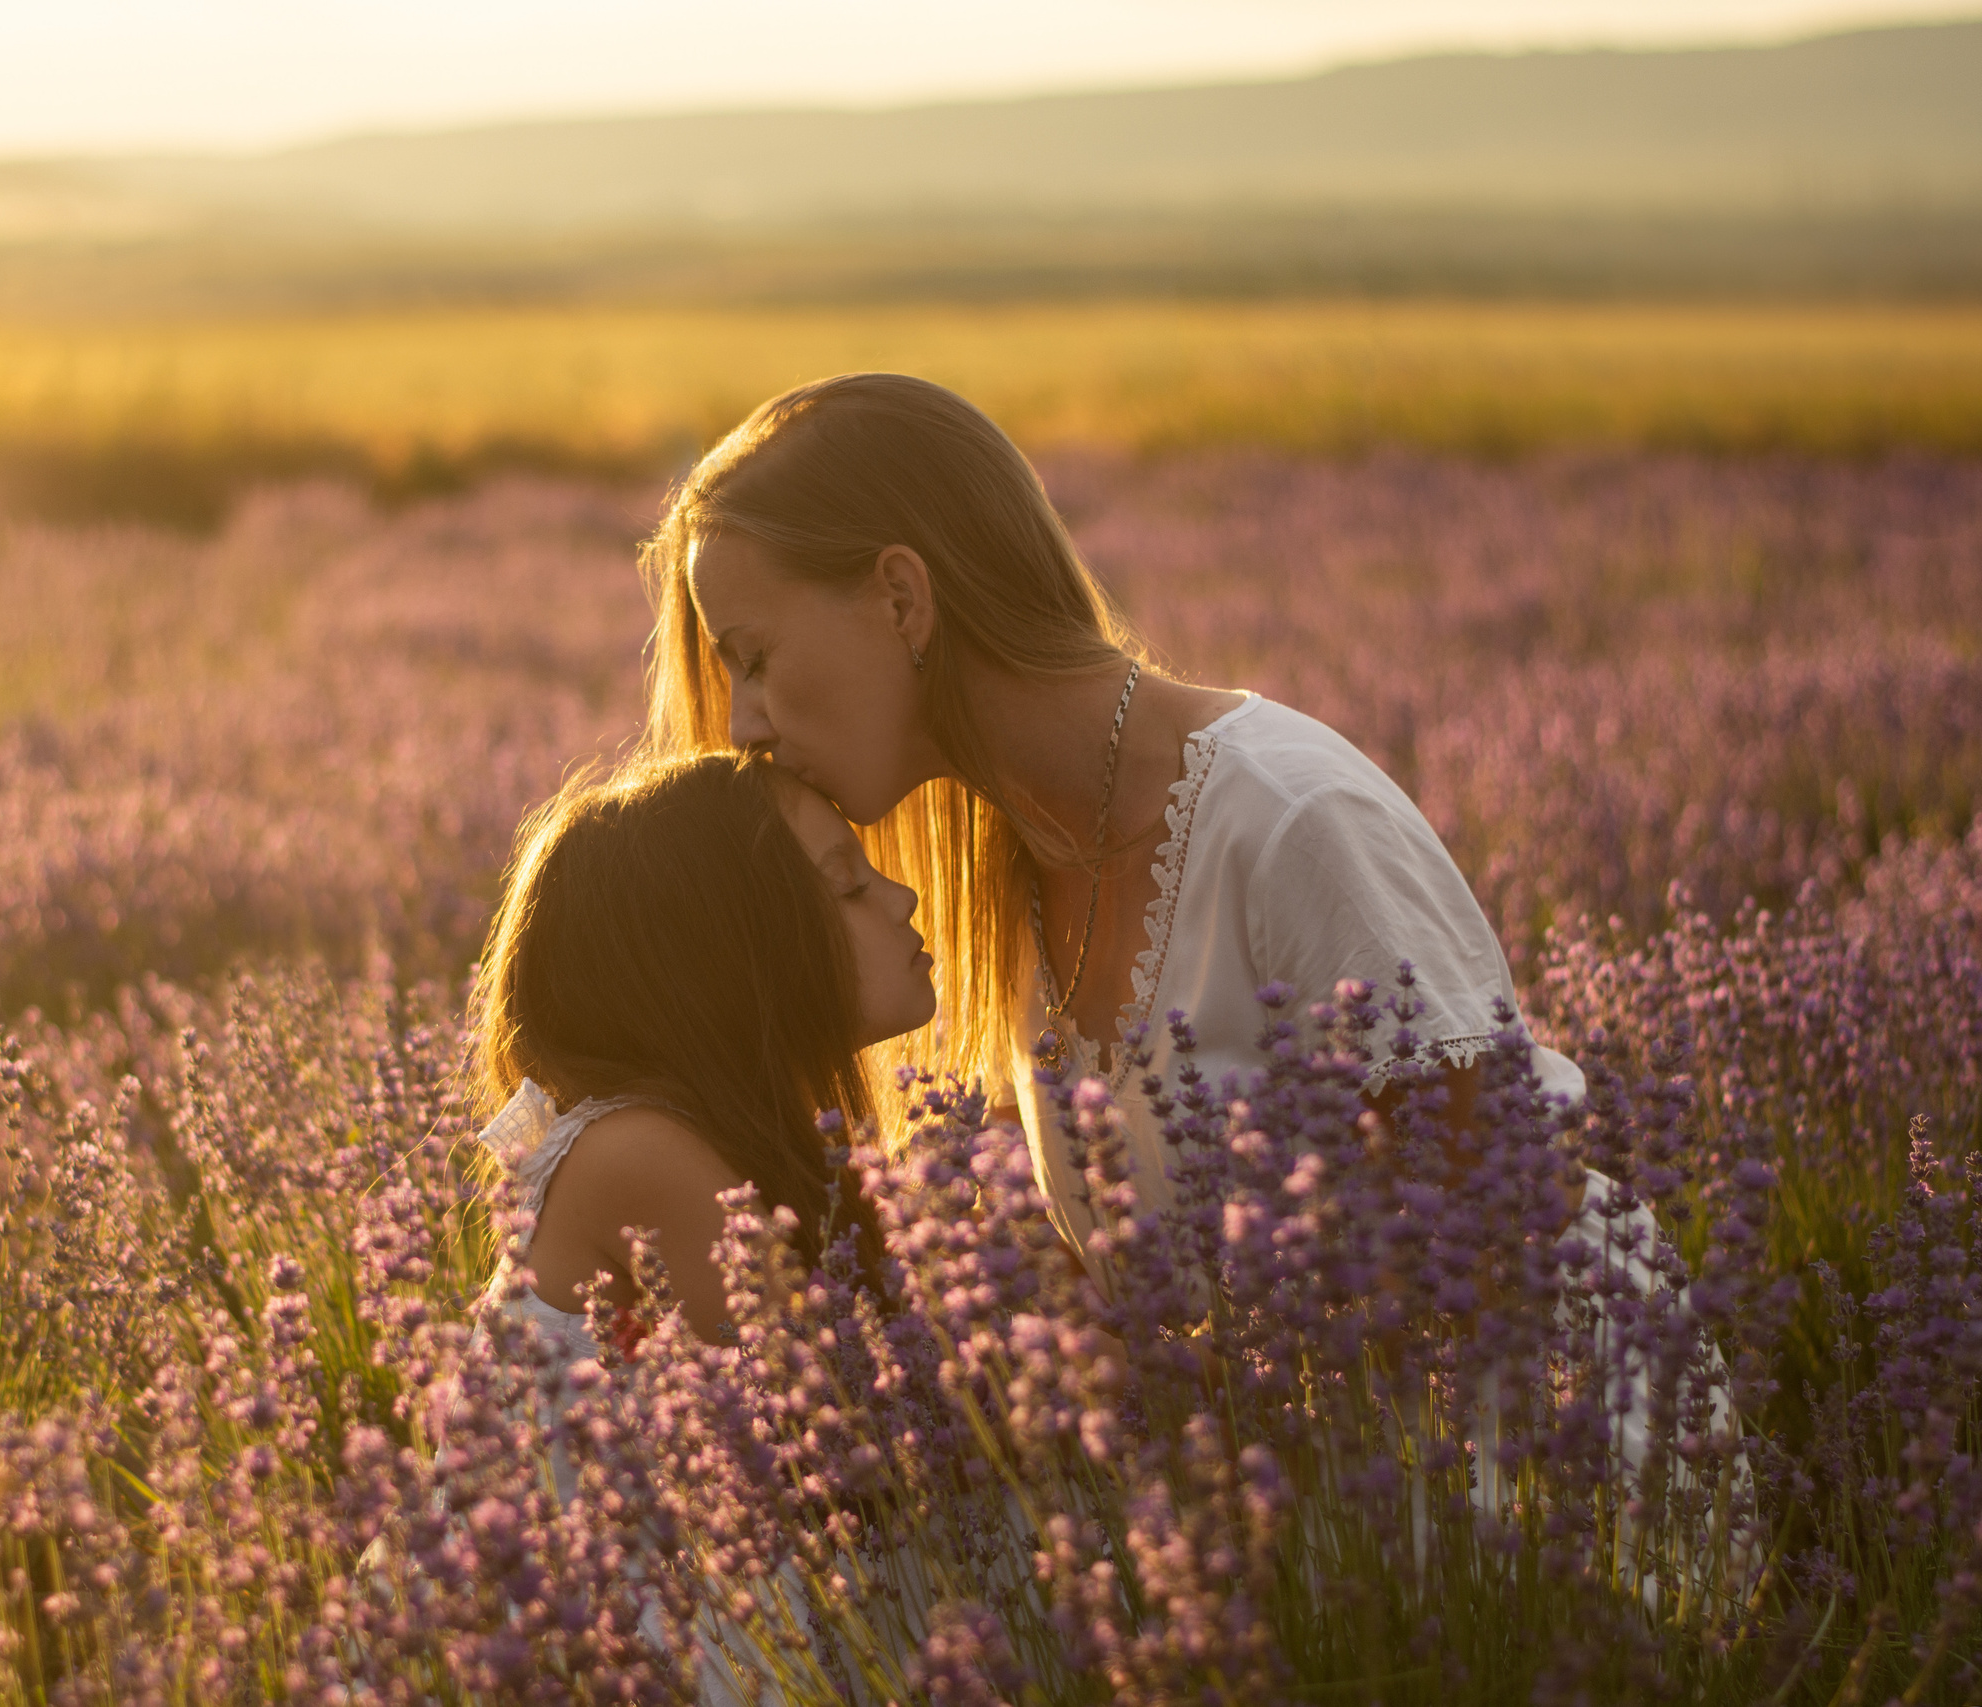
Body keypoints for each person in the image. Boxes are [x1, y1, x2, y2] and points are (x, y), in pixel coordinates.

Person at [633, 372, 1737, 1577]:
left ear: (900, 596)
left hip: (1519, 1464)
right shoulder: (1016, 863)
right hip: (1270, 1470)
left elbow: (1495, 1224)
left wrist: (1181, 1382)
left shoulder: (1285, 817)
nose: (741, 721)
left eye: (753, 656)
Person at [463, 749, 941, 1703]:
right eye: (848, 883)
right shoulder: (640, 1155)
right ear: (741, 955)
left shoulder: (721, 1143)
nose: (904, 898)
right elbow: (855, 1429)